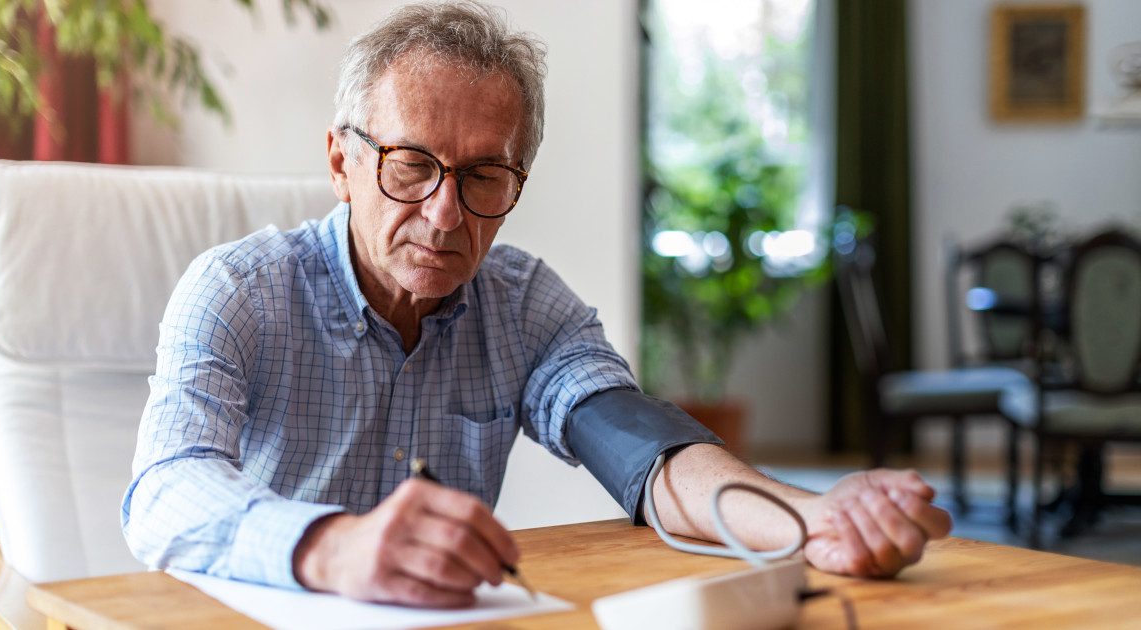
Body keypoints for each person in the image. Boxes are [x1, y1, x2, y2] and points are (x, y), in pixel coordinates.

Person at [122, 0, 951, 608]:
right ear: (341, 161)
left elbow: (644, 451)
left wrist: (813, 519)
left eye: (484, 176)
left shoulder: (521, 305)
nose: (446, 214)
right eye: (411, 165)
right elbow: (165, 491)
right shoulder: (236, 291)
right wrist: (335, 548)